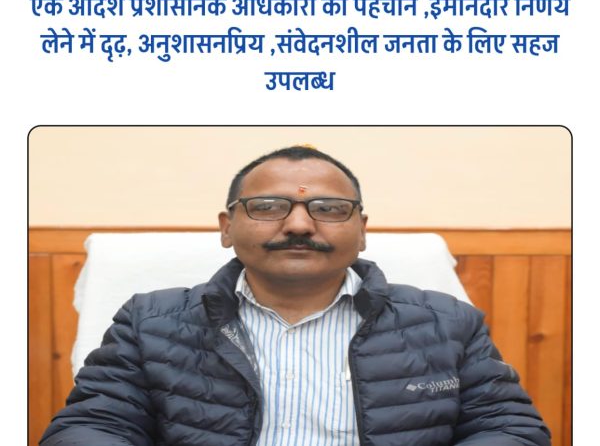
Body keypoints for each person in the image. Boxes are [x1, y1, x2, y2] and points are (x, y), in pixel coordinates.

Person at [40, 146, 551, 446]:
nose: (300, 225)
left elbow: (508, 427)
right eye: (267, 207)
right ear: (226, 227)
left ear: (362, 230)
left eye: (329, 209)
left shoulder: (446, 323)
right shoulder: (150, 321)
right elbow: (92, 425)